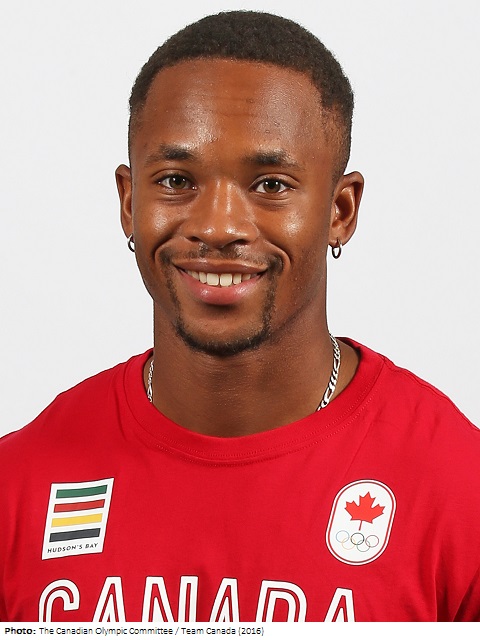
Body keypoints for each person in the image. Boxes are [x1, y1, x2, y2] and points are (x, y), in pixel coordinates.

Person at [0, 10, 479, 624]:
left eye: (271, 185)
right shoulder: (20, 486)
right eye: (176, 180)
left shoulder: (457, 490)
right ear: (129, 201)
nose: (218, 226)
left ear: (340, 211)